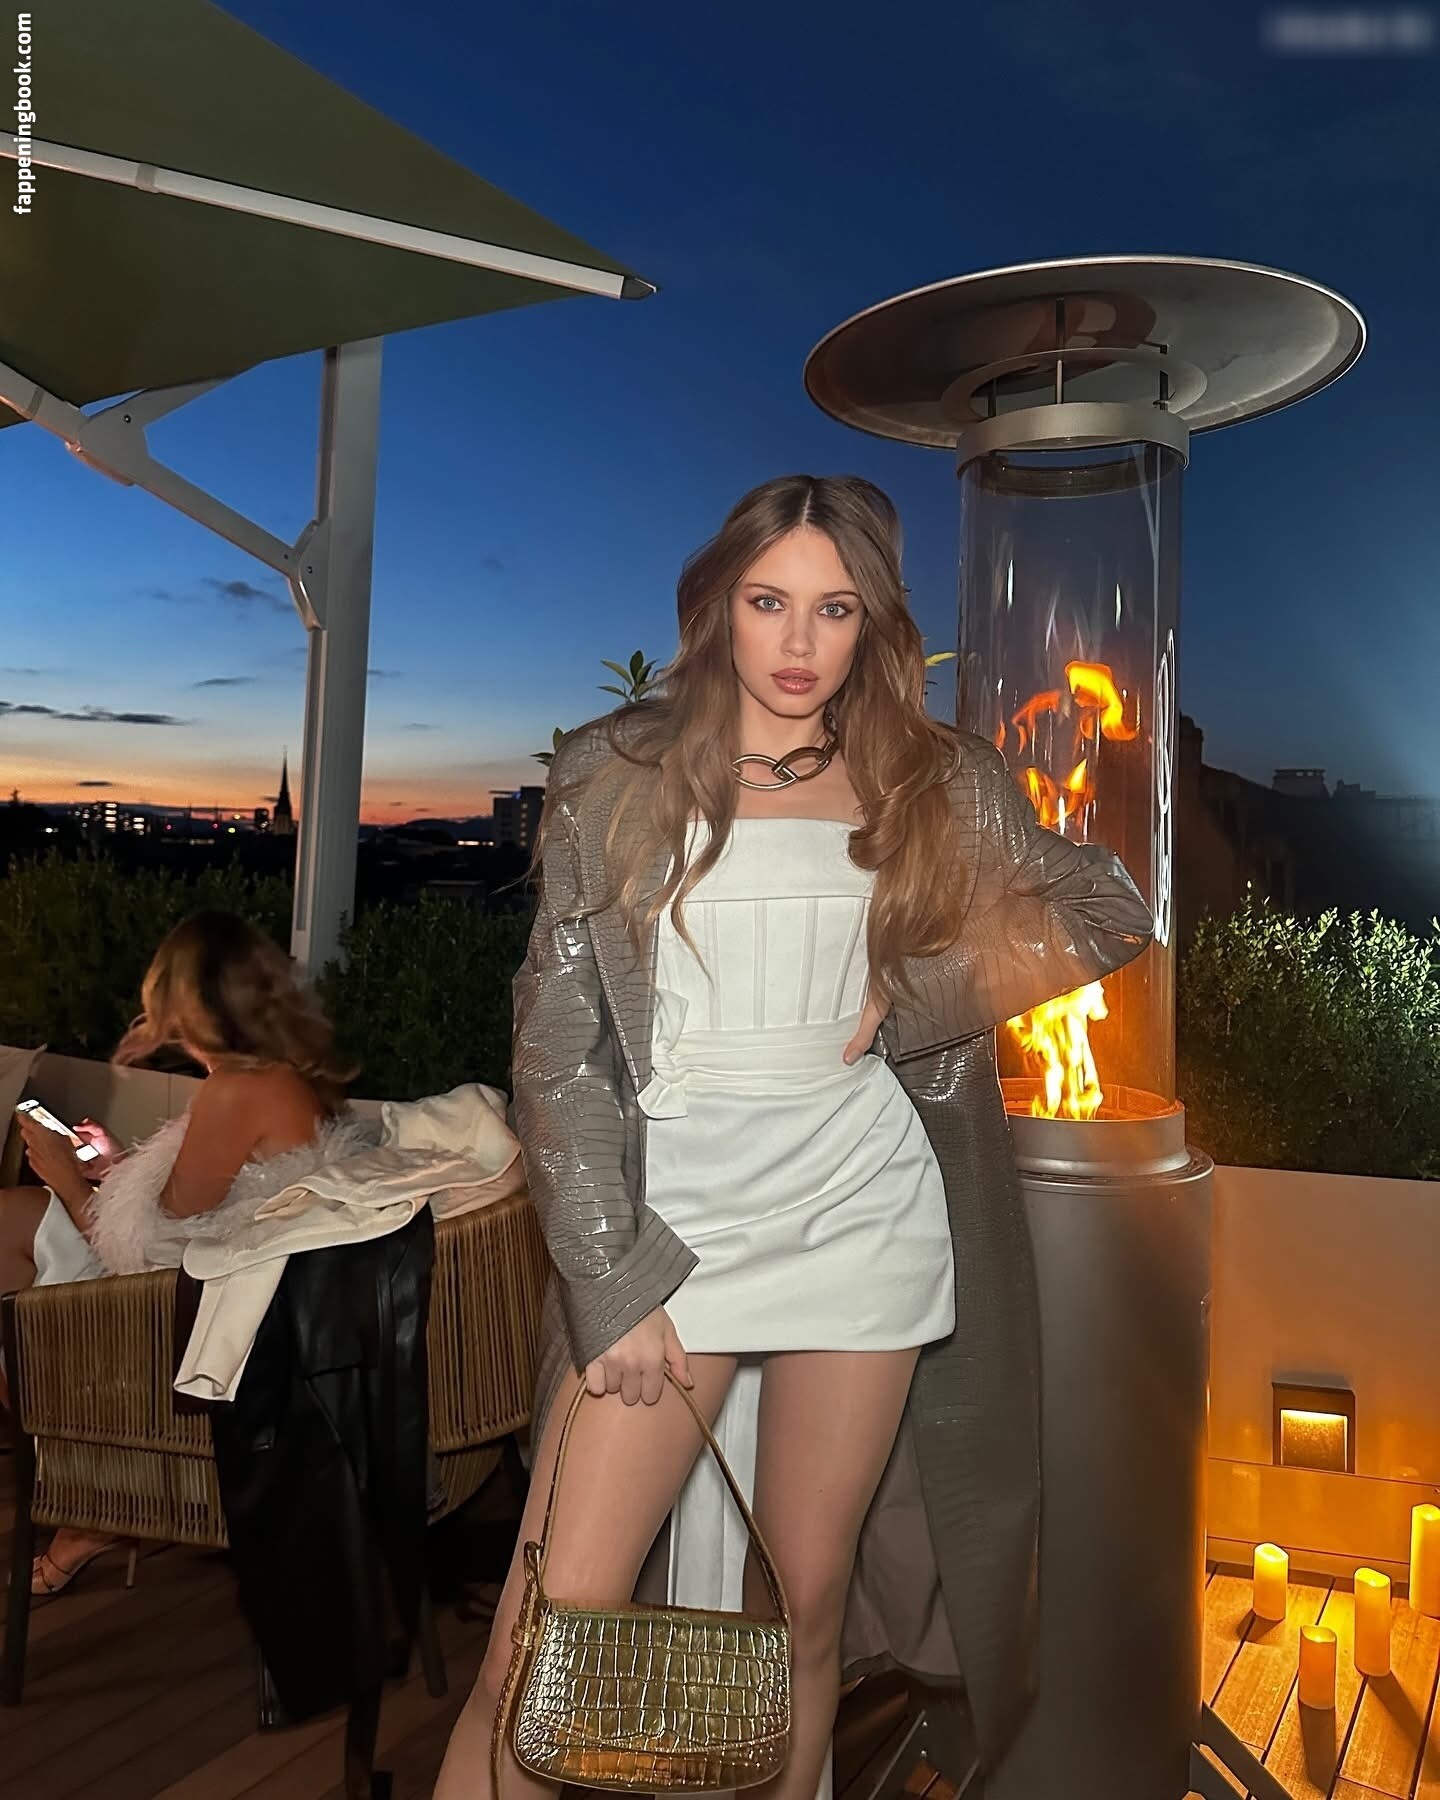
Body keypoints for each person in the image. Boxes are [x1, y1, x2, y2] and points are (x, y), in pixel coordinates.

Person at [434, 474, 1154, 1800]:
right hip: (668, 1230)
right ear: (719, 606)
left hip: (857, 1213)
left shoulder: (934, 777)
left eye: (834, 609)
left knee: (801, 1618)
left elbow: (1106, 908)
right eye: (770, 602)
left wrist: (916, 990)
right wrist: (608, 1272)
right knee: (537, 1645)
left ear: (872, 623)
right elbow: (556, 1048)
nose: (799, 642)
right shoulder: (614, 772)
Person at [0, 908, 360, 1598]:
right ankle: (87, 1486)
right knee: (12, 1224)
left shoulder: (238, 1090)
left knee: (12, 1275)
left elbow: (151, 1257)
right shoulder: (280, 1076)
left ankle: (96, 1492)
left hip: (190, 1316)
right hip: (217, 1284)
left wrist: (69, 1178)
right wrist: (118, 1168)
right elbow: (202, 1207)